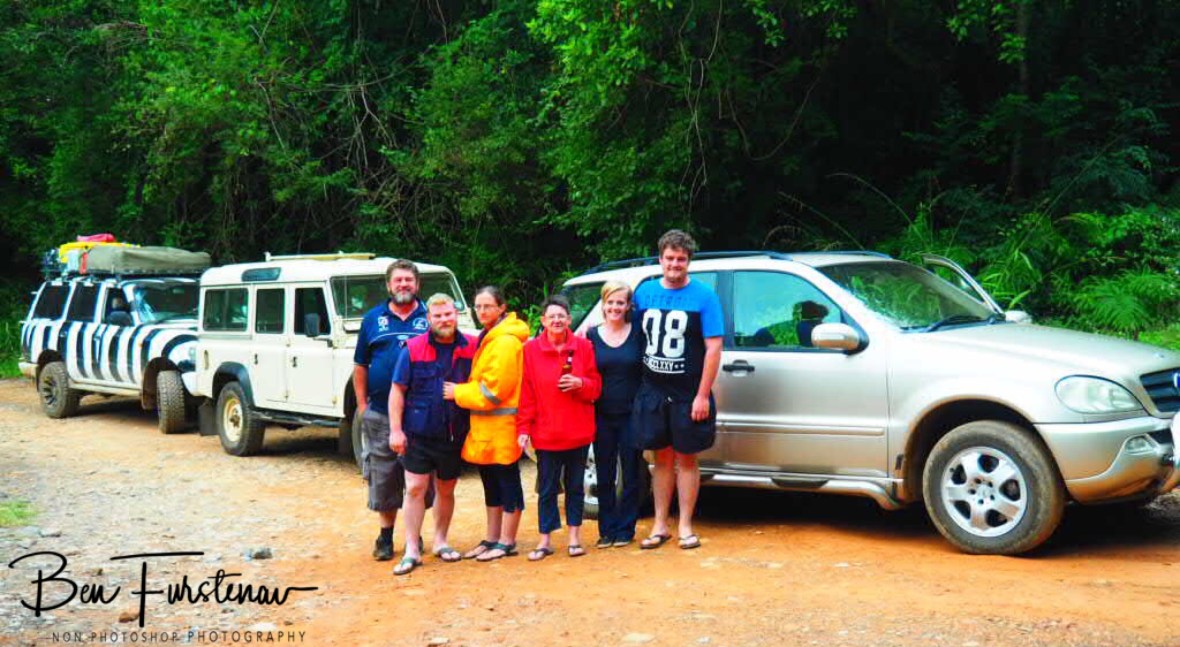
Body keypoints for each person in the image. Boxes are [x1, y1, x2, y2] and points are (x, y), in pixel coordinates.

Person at [633, 229, 723, 551]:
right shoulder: (644, 293)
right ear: (660, 259)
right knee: (661, 458)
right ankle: (659, 524)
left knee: (686, 458)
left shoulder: (704, 296)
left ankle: (684, 524)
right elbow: (625, 332)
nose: (674, 264)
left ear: (689, 262)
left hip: (688, 393)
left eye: (681, 259)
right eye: (669, 258)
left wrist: (702, 395)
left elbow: (713, 348)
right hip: (654, 390)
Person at [387, 293, 477, 576]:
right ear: (428, 319)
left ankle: (441, 541)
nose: (444, 320)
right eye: (438, 316)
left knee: (446, 488)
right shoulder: (413, 348)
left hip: (453, 434)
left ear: (456, 315)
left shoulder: (472, 347)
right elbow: (397, 391)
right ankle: (412, 548)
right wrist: (396, 430)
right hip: (418, 433)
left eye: (448, 314)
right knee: (414, 488)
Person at [353, 259, 434, 562]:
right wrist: (362, 407)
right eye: (398, 281)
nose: (403, 285)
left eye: (408, 281)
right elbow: (360, 366)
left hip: (421, 414)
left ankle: (415, 535)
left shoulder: (431, 317)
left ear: (417, 285)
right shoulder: (373, 319)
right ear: (388, 285)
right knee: (384, 475)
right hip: (380, 414)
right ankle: (385, 537)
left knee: (420, 480)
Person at [444, 286, 530, 562]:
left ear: (502, 307)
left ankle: (507, 541)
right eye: (478, 306)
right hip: (485, 429)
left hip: (501, 427)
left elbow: (494, 391)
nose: (482, 311)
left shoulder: (505, 342)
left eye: (487, 306)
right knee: (491, 485)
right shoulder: (489, 337)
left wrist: (457, 392)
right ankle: (492, 538)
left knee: (507, 484)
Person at [517, 295, 602, 560]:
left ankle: (574, 538)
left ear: (568, 320)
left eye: (561, 316)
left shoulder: (584, 347)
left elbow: (596, 388)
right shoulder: (530, 350)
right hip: (545, 433)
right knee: (547, 488)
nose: (556, 320)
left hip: (578, 431)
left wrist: (581, 384)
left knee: (576, 486)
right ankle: (545, 540)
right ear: (542, 321)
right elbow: (526, 393)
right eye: (551, 316)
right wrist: (523, 429)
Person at [587, 281, 645, 548]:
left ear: (628, 305)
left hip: (631, 414)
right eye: (610, 302)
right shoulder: (591, 335)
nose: (615, 307)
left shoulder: (638, 334)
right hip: (601, 415)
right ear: (603, 304)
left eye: (620, 302)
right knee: (605, 472)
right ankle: (606, 529)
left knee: (632, 473)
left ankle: (626, 529)